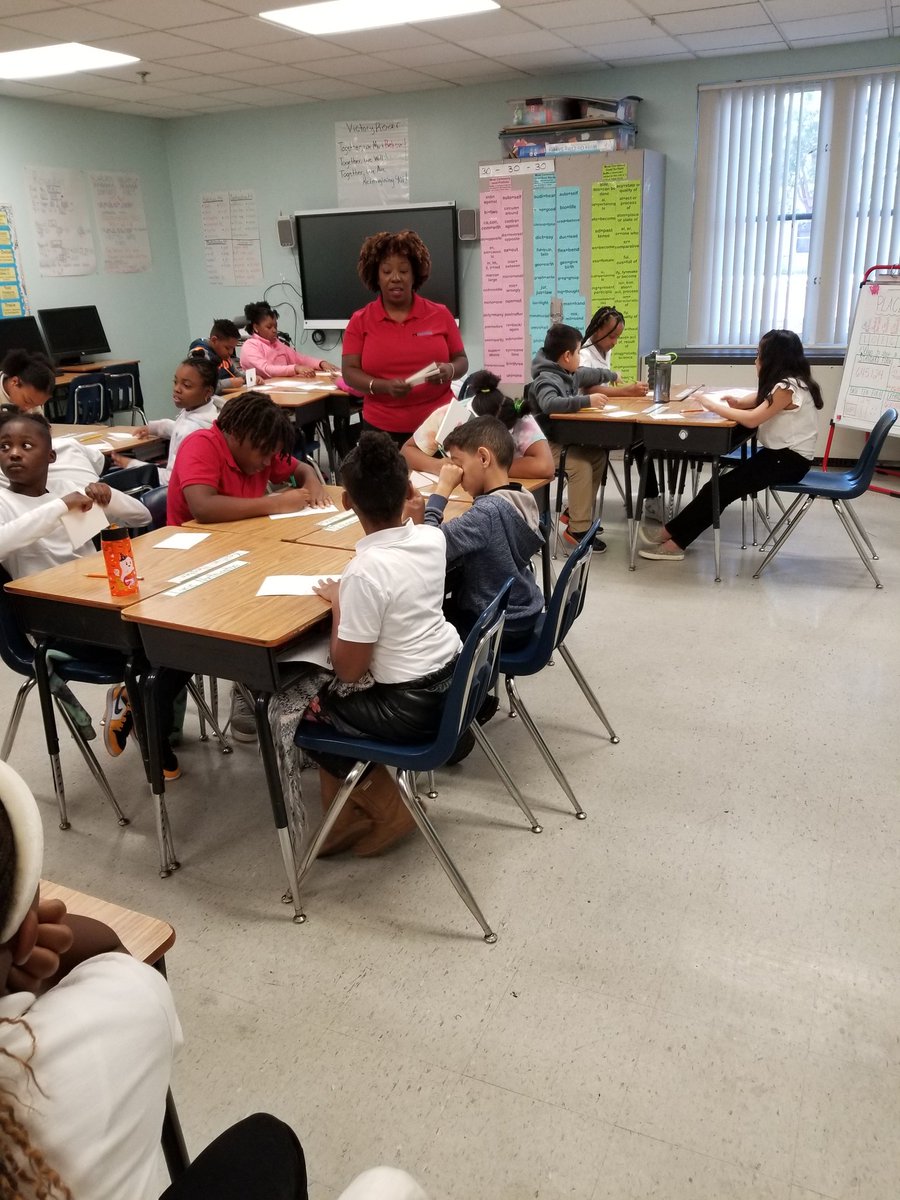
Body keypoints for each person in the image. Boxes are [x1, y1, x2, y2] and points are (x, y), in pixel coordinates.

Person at [0, 760, 424, 1200]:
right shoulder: (96, 1035)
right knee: (385, 1185)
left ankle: (351, 808)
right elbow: (114, 956)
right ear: (28, 930)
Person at [272, 432, 462, 858]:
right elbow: (431, 521)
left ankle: (385, 807)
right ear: (411, 492)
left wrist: (341, 603)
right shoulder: (432, 539)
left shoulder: (364, 572)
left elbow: (349, 670)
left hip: (410, 709)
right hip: (453, 682)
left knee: (298, 706)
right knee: (325, 696)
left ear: (347, 503)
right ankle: (347, 815)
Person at [166, 390, 328, 742]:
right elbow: (203, 507)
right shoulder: (202, 445)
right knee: (262, 613)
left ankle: (271, 687)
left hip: (249, 549)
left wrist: (312, 482)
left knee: (301, 600)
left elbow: (298, 467)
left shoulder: (260, 447)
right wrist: (274, 502)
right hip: (195, 564)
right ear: (237, 436)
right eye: (263, 452)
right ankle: (248, 687)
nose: (267, 461)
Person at [639, 329, 823, 561]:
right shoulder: (790, 383)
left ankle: (675, 541)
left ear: (774, 358)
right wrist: (734, 402)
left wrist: (712, 405)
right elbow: (756, 401)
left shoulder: (787, 388)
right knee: (717, 488)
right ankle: (673, 533)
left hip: (789, 461)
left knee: (718, 490)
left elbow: (753, 419)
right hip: (780, 457)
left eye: (759, 354)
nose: (756, 360)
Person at [420, 415, 544, 651]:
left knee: (420, 627)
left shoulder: (485, 514)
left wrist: (442, 490)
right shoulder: (521, 496)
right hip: (522, 610)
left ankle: (463, 687)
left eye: (457, 464)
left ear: (484, 457)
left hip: (495, 626)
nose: (455, 473)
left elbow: (427, 548)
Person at [341, 230, 468, 446]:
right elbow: (349, 372)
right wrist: (382, 386)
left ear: (415, 274)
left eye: (404, 270)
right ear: (376, 276)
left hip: (440, 425)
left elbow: (461, 360)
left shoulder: (440, 314)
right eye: (387, 271)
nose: (396, 278)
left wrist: (449, 370)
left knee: (445, 479)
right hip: (382, 430)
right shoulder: (360, 321)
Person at [530, 323, 618, 554]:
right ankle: (577, 530)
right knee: (579, 466)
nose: (581, 357)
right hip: (542, 445)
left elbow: (587, 374)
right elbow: (549, 404)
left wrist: (611, 374)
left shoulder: (566, 372)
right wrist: (586, 401)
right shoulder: (546, 379)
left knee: (597, 456)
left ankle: (575, 513)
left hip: (560, 440)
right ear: (567, 356)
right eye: (579, 352)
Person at [579, 306, 663, 523]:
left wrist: (620, 389)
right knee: (639, 441)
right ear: (598, 330)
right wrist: (624, 391)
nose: (614, 342)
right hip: (589, 421)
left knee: (643, 439)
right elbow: (589, 389)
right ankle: (651, 499)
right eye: (612, 336)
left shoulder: (606, 349)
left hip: (605, 412)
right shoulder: (584, 354)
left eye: (618, 337)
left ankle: (651, 497)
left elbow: (603, 384)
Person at [401, 369, 554, 480]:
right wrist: (436, 466)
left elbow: (545, 466)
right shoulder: (448, 414)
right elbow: (407, 451)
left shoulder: (519, 416)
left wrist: (488, 469)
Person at [111, 358, 218, 485]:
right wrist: (154, 428)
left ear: (208, 391)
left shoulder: (190, 430)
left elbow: (170, 480)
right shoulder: (209, 412)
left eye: (187, 385)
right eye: (175, 382)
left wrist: (130, 464)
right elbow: (179, 427)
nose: (177, 389)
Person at [239, 302, 339, 381]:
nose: (274, 330)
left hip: (282, 388)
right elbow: (266, 369)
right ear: (256, 327)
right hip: (261, 395)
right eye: (269, 327)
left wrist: (321, 363)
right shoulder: (250, 346)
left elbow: (299, 358)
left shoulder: (277, 343)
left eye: (275, 326)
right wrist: (295, 368)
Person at [188, 318, 245, 393]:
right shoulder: (199, 354)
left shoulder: (222, 353)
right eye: (227, 348)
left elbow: (235, 373)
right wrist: (229, 383)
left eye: (233, 348)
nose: (231, 352)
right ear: (214, 340)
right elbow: (202, 386)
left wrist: (250, 378)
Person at [0, 348, 55, 412]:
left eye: (36, 405)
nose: (27, 409)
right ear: (15, 381)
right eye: (27, 401)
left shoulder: (34, 399)